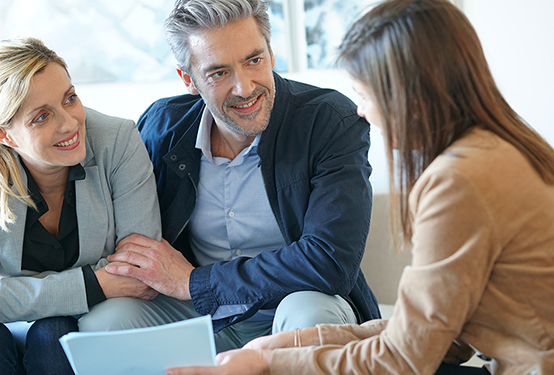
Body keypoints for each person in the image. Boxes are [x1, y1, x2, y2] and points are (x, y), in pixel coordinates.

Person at [0, 0, 380, 353]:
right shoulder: (163, 127)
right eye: (219, 72)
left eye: (254, 60)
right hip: (199, 314)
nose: (244, 87)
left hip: (297, 303)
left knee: (307, 312)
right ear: (188, 79)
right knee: (101, 322)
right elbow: (72, 139)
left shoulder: (330, 122)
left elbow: (330, 263)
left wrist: (193, 281)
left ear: (270, 52)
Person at [164, 0, 554, 374]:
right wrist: (292, 345)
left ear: (410, 93)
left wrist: (269, 362)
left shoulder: (457, 181)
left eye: (365, 94)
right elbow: (434, 332)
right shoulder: (498, 150)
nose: (361, 110)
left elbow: (405, 358)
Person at [0, 37, 161, 375]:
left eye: (70, 98)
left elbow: (138, 270)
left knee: (53, 332)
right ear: (3, 134)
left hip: (74, 326)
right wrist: (93, 283)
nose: (70, 123)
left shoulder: (117, 141)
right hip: (1, 333)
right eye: (42, 117)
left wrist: (2, 297)